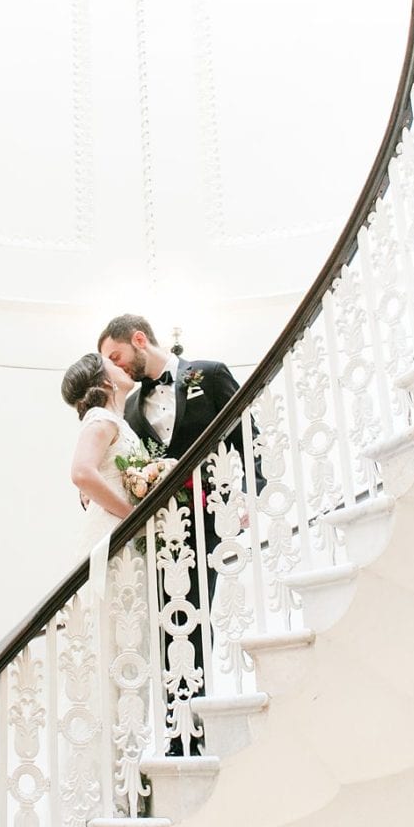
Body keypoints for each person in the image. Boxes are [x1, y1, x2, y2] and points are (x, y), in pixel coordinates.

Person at [96, 314, 255, 756]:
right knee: (173, 623)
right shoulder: (128, 408)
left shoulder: (210, 373)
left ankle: (192, 729)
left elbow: (247, 434)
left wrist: (249, 495)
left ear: (140, 339)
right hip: (164, 532)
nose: (114, 367)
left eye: (117, 355)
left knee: (197, 614)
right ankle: (180, 731)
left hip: (212, 516)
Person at [60, 351, 150, 561]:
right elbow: (82, 473)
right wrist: (133, 518)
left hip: (123, 535)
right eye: (114, 365)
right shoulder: (101, 418)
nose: (123, 367)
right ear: (107, 382)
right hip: (111, 534)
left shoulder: (117, 422)